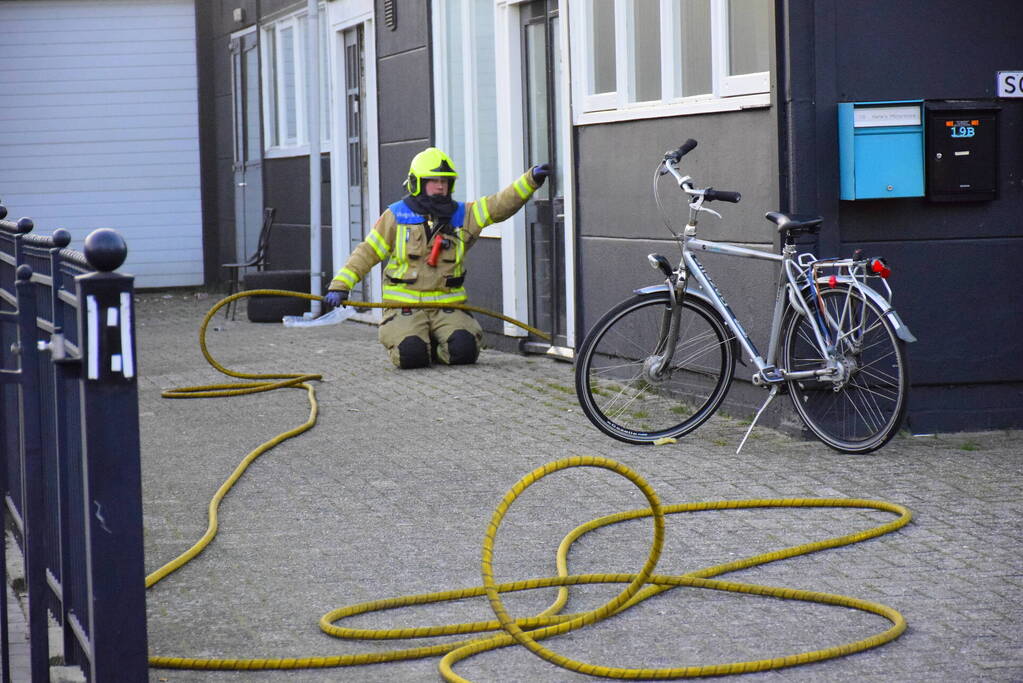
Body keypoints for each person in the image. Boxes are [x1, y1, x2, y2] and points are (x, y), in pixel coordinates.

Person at [325, 147, 550, 369]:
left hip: (448, 306)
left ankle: (433, 343)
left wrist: (530, 181)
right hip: (405, 308)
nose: (441, 186)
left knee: (464, 350)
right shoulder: (396, 215)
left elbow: (499, 205)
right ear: (418, 183)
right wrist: (341, 285)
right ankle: (418, 342)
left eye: (445, 181)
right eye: (433, 180)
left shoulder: (463, 214)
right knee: (411, 355)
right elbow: (367, 252)